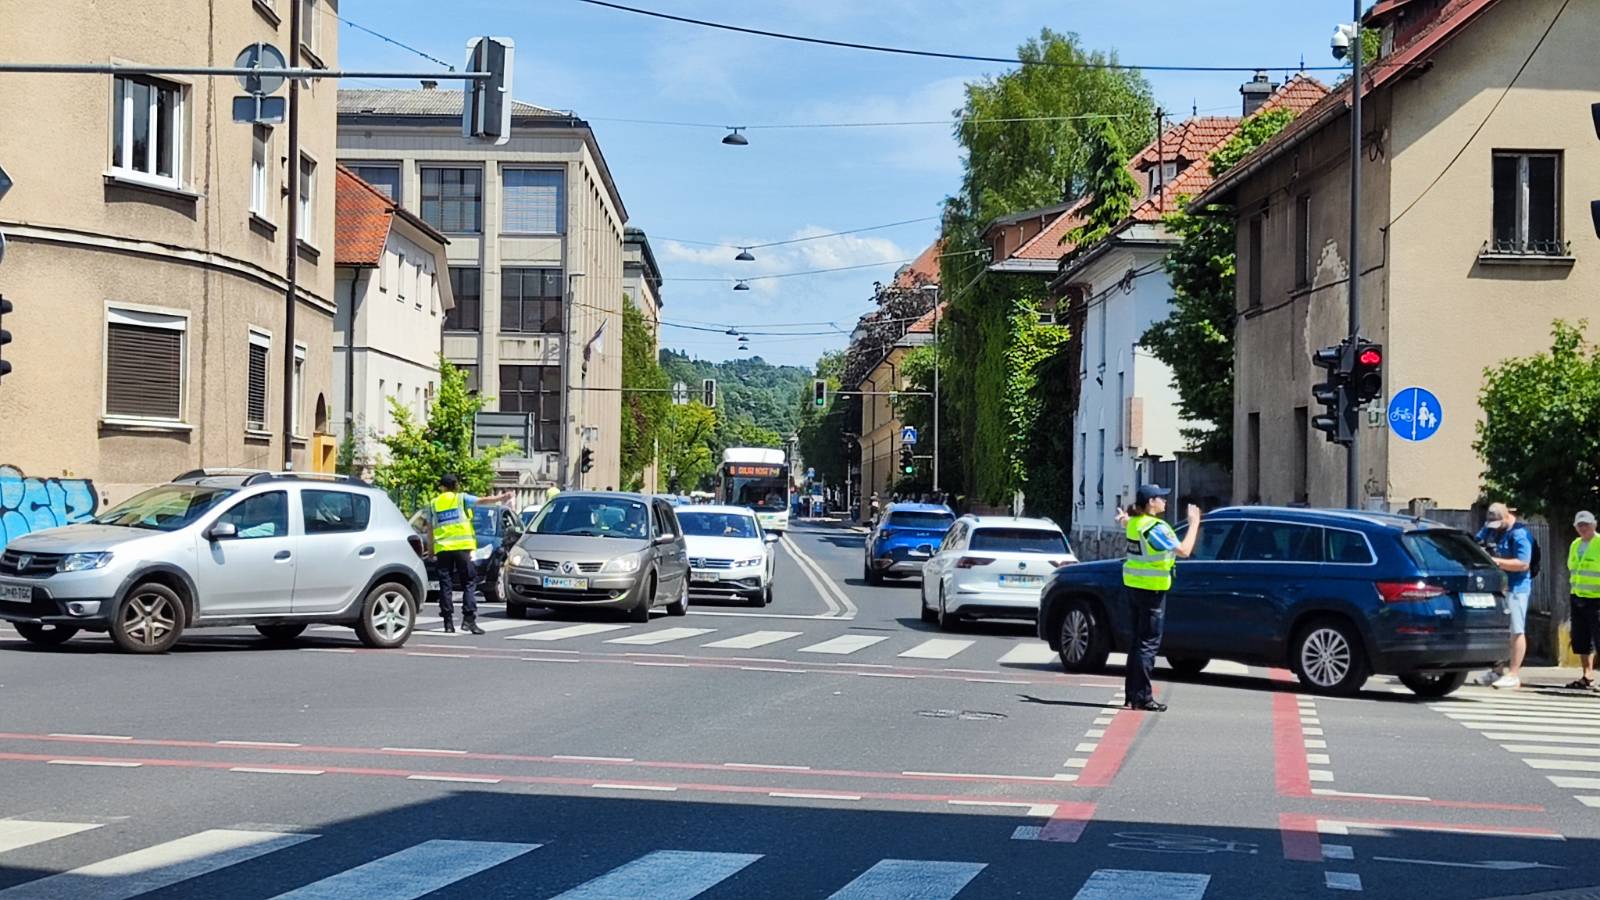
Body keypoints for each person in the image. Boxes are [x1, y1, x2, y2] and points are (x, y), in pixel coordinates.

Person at [1119, 485, 1202, 712]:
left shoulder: (1136, 523)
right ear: (1150, 502)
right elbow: (1184, 551)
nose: (1165, 501)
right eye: (1161, 498)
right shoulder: (1156, 528)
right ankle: (1143, 698)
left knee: (1137, 643)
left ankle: (1132, 695)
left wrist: (1124, 519)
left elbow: (1129, 524)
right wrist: (1194, 523)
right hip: (1152, 591)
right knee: (1147, 645)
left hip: (1134, 587)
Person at [427, 474, 512, 635]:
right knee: (469, 583)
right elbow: (482, 501)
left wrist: (431, 551)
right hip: (462, 548)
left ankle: (448, 622)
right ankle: (469, 620)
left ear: (441, 487)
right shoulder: (461, 499)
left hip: (443, 549)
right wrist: (502, 497)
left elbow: (430, 529)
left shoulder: (434, 504)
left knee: (445, 584)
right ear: (455, 485)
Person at [1475, 502, 1535, 689]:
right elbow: (1476, 542)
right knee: (1499, 630)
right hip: (1497, 586)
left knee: (1516, 630)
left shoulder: (1520, 535)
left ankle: (1514, 674)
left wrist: (1495, 561)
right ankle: (1496, 671)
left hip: (1516, 588)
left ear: (1506, 516)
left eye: (1496, 524)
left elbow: (1523, 564)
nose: (1493, 529)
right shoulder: (1491, 528)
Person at [1567, 511, 1600, 692]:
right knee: (1581, 640)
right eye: (1580, 525)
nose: (1583, 528)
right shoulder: (1575, 544)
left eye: (1586, 524)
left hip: (1597, 600)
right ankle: (1587, 675)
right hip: (1578, 597)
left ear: (1594, 525)